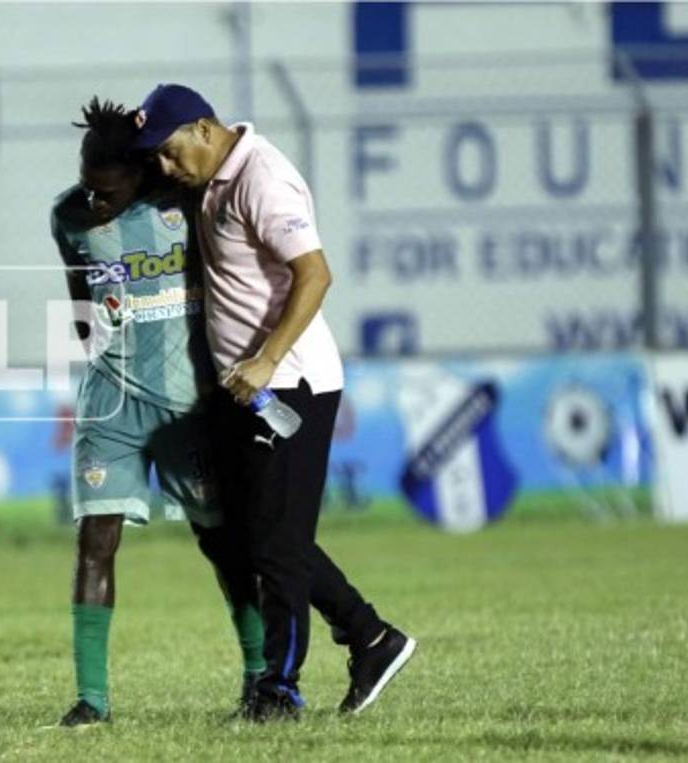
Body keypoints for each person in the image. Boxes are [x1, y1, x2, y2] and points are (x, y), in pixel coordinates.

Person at [132, 84, 417, 721]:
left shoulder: (263, 177)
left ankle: (278, 694)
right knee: (259, 536)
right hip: (244, 390)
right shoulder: (207, 177)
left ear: (205, 128)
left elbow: (315, 274)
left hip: (288, 384)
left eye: (172, 152)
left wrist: (264, 358)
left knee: (277, 549)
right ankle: (371, 638)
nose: (166, 168)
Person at [49, 97, 265, 727]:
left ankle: (259, 680)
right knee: (95, 541)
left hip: (188, 409)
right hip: (110, 407)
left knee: (222, 544)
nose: (95, 201)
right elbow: (78, 294)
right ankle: (92, 700)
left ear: (139, 175)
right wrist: (100, 345)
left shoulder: (185, 202)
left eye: (107, 190)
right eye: (88, 187)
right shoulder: (68, 216)